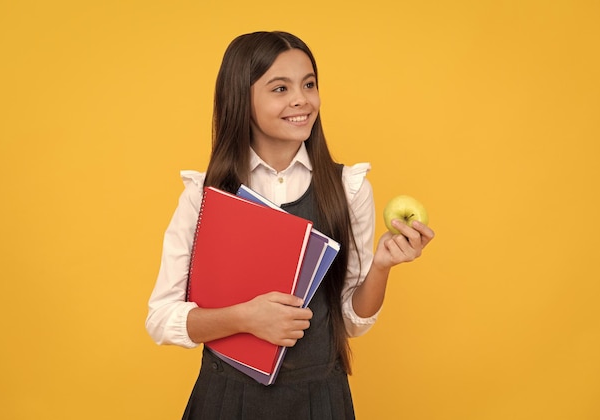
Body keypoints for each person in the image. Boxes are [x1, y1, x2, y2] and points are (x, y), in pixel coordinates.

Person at [146, 31, 435, 419]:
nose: (302, 99)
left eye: (309, 84)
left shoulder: (348, 189)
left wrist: (382, 265)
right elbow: (161, 319)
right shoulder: (204, 195)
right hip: (226, 402)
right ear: (241, 100)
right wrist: (244, 318)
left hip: (320, 401)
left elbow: (351, 322)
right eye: (280, 88)